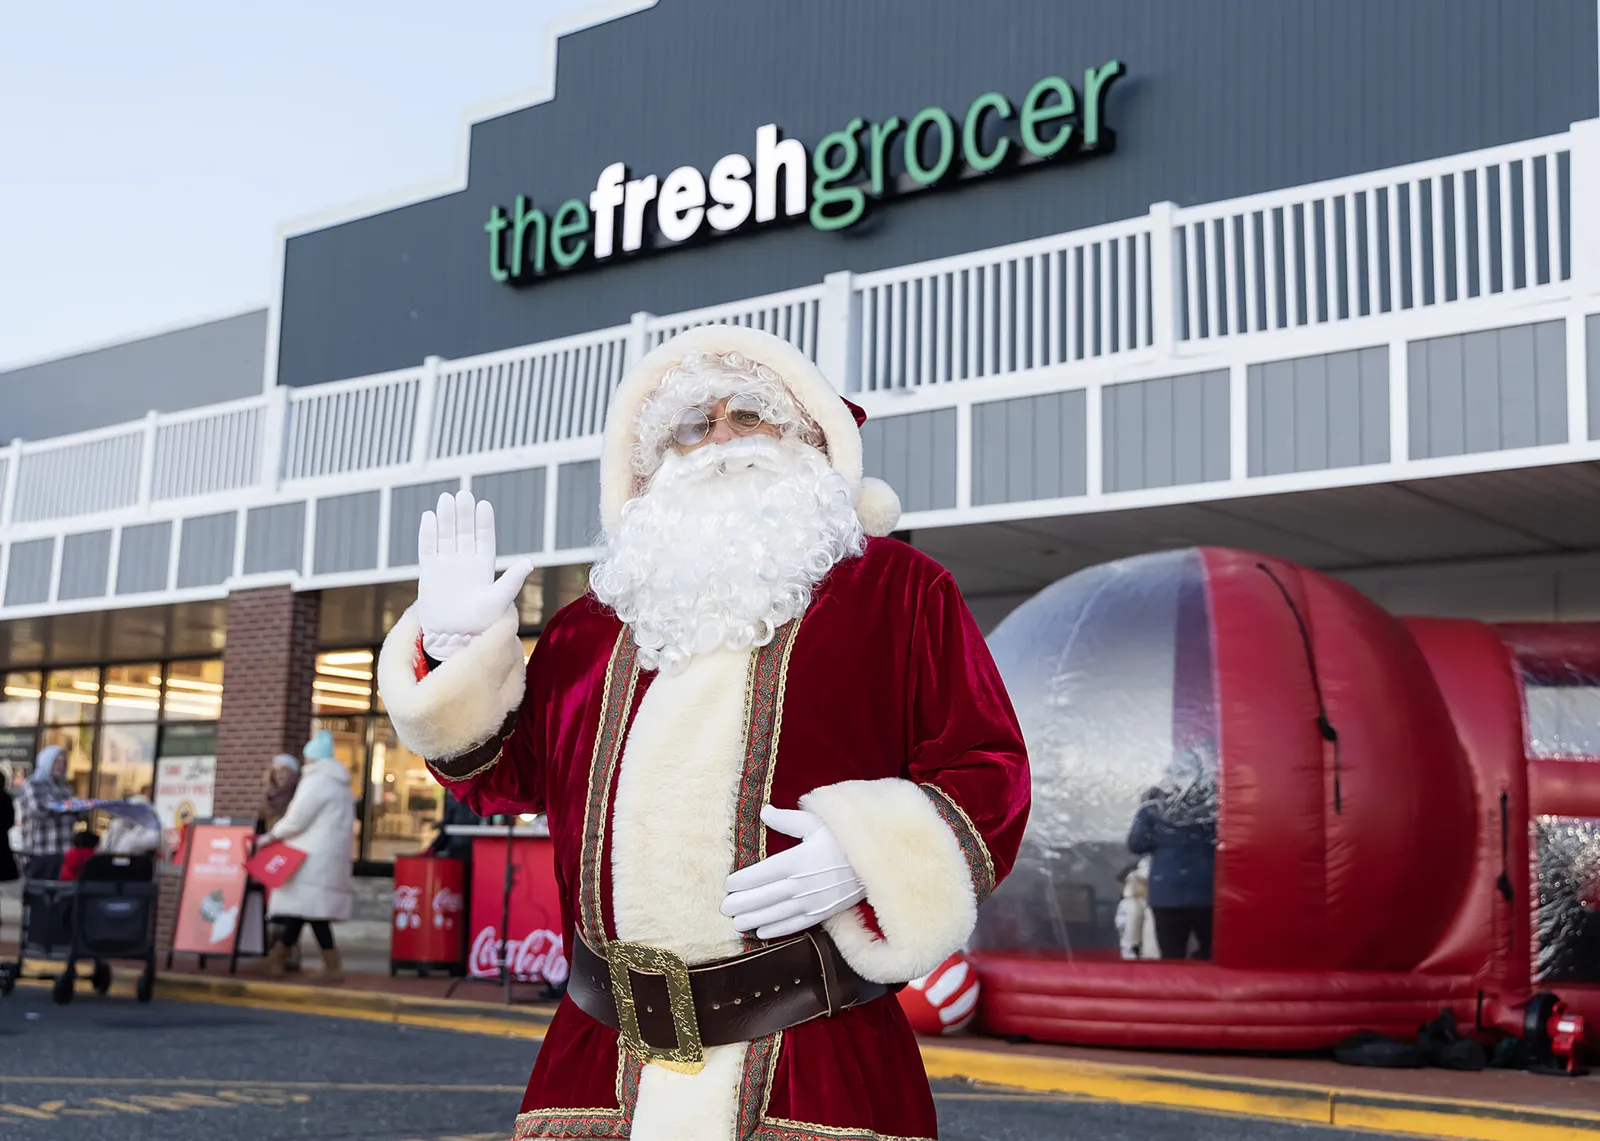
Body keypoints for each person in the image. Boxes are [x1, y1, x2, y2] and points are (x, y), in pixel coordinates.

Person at [378, 326, 1031, 1140]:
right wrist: (455, 654)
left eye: (749, 414)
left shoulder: (899, 594)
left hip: (814, 1060)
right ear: (652, 466)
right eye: (692, 425)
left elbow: (986, 766)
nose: (719, 439)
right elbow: (506, 776)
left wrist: (872, 854)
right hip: (602, 1065)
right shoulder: (589, 628)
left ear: (810, 435)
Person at [256, 731, 355, 983]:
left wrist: (270, 837)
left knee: (311, 911)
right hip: (327, 856)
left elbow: (297, 819)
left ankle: (332, 968)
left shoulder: (317, 781)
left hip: (311, 858)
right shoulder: (339, 783)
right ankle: (277, 959)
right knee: (303, 910)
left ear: (311, 759)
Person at [1126, 750, 1218, 961]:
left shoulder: (1153, 806)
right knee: (1211, 955)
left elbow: (1136, 844)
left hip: (1167, 893)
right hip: (1207, 891)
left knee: (1172, 957)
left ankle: (1178, 992)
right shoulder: (1212, 805)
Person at [16, 746, 79, 879]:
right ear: (46, 762)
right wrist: (68, 807)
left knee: (61, 896)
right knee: (39, 896)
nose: (61, 765)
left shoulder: (66, 789)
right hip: (41, 853)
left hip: (64, 853)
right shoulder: (33, 784)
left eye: (64, 762)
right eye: (57, 761)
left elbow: (76, 813)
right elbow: (39, 809)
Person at [258, 753, 301, 835]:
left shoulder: (300, 793)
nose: (279, 776)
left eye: (283, 771)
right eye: (276, 772)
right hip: (272, 842)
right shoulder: (269, 797)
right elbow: (261, 826)